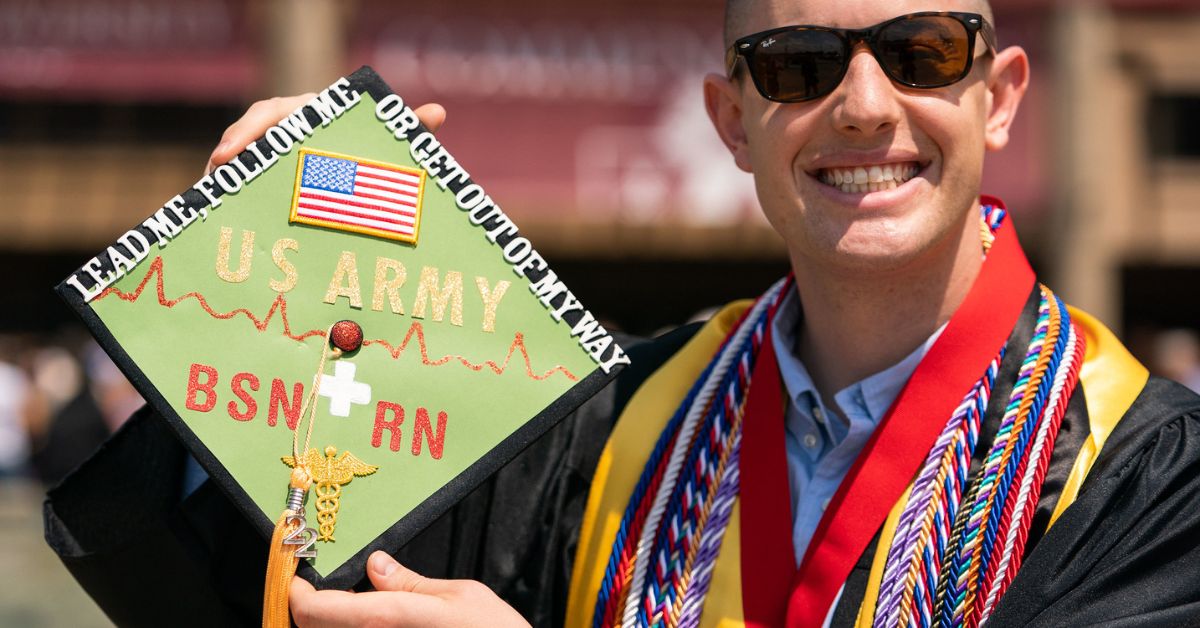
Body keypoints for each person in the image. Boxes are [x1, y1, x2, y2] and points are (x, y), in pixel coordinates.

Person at [45, 0, 1200, 626]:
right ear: (731, 118)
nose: (862, 103)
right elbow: (284, 582)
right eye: (797, 65)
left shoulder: (1157, 484)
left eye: (922, 52)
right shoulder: (609, 427)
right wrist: (271, 295)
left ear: (997, 100)